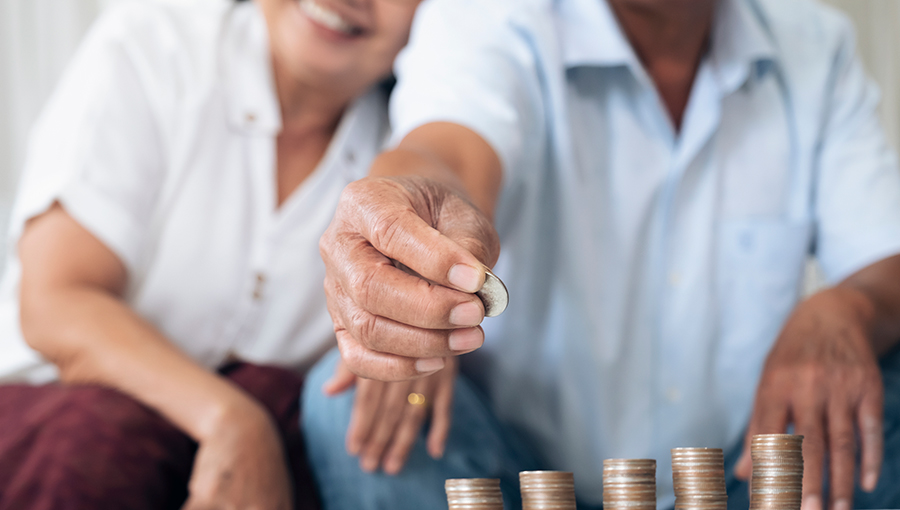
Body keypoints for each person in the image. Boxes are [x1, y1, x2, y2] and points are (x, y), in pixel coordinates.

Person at [304, 0, 900, 509]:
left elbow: (883, 255)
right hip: (516, 473)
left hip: (739, 480)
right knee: (347, 398)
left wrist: (849, 307)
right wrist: (413, 221)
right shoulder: (489, 15)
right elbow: (449, 153)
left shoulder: (815, 42)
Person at [0, 0, 422, 507]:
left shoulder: (410, 159)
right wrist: (233, 421)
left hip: (250, 432)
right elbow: (54, 305)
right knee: (109, 434)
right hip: (61, 417)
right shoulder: (155, 45)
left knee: (302, 405)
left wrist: (422, 371)